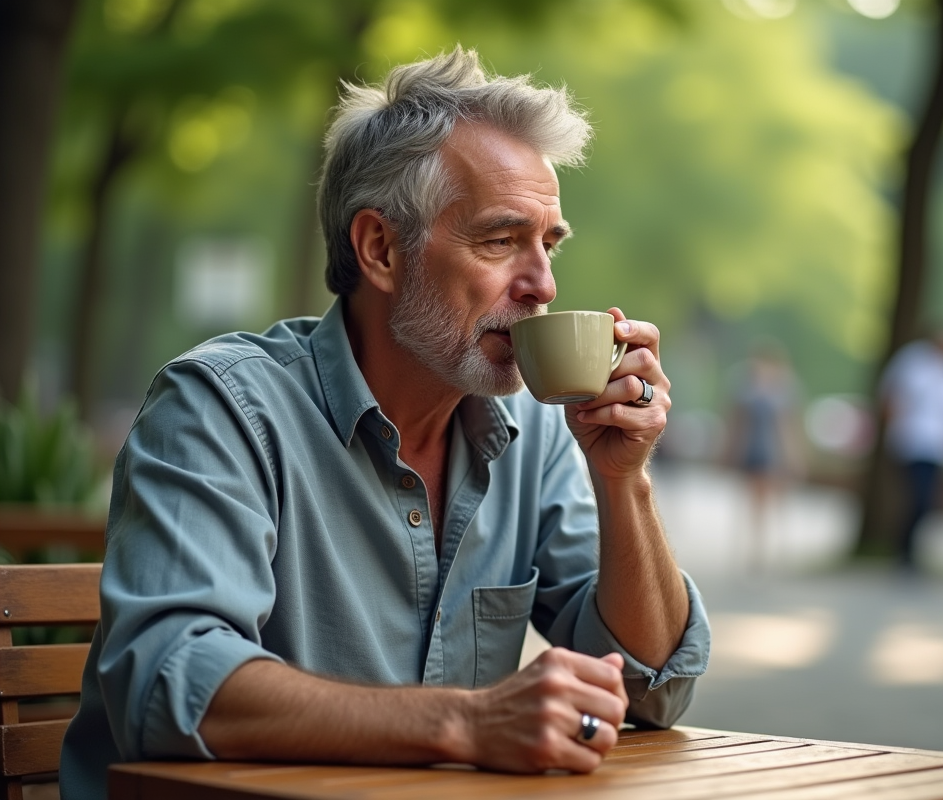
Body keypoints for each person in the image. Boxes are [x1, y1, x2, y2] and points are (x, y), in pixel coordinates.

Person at [60, 48, 710, 798]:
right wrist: (467, 723)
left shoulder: (532, 428)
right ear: (380, 249)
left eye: (549, 243)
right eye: (501, 240)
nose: (544, 284)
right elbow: (170, 681)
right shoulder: (221, 409)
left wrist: (624, 479)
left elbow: (650, 684)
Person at [878, 325, 943, 570]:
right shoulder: (913, 361)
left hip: (941, 447)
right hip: (912, 443)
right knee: (919, 497)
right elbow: (891, 397)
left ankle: (911, 550)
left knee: (930, 501)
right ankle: (904, 550)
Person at [724, 339, 804, 570]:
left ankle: (769, 550)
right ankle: (756, 551)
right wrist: (730, 451)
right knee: (754, 501)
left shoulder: (784, 389)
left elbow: (789, 426)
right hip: (753, 451)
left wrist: (794, 456)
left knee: (773, 501)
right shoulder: (744, 388)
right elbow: (735, 424)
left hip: (773, 452)